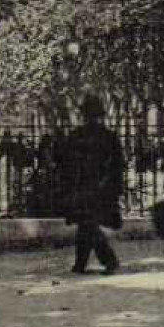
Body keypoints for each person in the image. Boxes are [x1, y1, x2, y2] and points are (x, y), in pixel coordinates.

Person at [61, 94, 124, 275]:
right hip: (95, 188)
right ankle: (86, 263)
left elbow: (67, 164)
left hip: (89, 188)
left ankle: (101, 261)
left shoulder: (78, 136)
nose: (92, 119)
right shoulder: (108, 136)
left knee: (87, 225)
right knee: (87, 225)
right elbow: (118, 165)